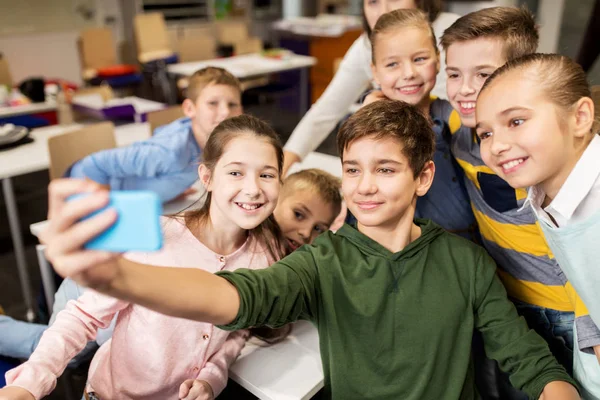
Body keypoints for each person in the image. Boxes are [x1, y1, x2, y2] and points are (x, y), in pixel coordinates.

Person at [25, 100, 581, 400]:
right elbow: (235, 298)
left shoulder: (465, 263)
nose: (363, 186)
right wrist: (118, 277)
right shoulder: (321, 262)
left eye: (385, 170)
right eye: (353, 171)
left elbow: (526, 360)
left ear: (423, 177)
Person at [1, 114, 288, 400]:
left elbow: (238, 329)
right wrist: (28, 383)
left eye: (266, 174)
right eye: (236, 172)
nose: (253, 189)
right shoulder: (159, 237)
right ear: (207, 177)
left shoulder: (263, 256)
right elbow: (83, 316)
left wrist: (211, 376)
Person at [0, 169, 342, 365]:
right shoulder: (239, 235)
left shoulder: (281, 258)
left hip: (126, 304)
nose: (305, 232)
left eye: (319, 229)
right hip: (94, 295)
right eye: (299, 214)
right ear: (274, 196)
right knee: (65, 351)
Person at [440, 8, 600, 388]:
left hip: (566, 310)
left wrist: (588, 324)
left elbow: (583, 259)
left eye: (483, 75)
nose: (465, 89)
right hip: (505, 300)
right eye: (453, 74)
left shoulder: (543, 159)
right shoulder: (459, 124)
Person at [476, 53, 600, 399]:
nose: (497, 145)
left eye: (516, 121)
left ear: (580, 117)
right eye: (484, 133)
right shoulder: (541, 190)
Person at [281, 0, 460, 175]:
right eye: (373, 2)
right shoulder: (366, 45)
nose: (384, 9)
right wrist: (281, 170)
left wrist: (377, 115)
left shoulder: (453, 31)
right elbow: (324, 112)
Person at [360, 8, 476, 240]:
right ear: (375, 72)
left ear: (438, 59)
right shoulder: (364, 125)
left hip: (462, 245)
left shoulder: (456, 116)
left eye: (420, 59)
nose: (409, 73)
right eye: (392, 64)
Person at [69, 67, 243, 203]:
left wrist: (169, 189)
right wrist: (108, 210)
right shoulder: (169, 152)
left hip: (144, 201)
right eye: (213, 103)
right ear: (190, 109)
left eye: (233, 104)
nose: (225, 112)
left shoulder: (214, 142)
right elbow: (94, 164)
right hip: (85, 190)